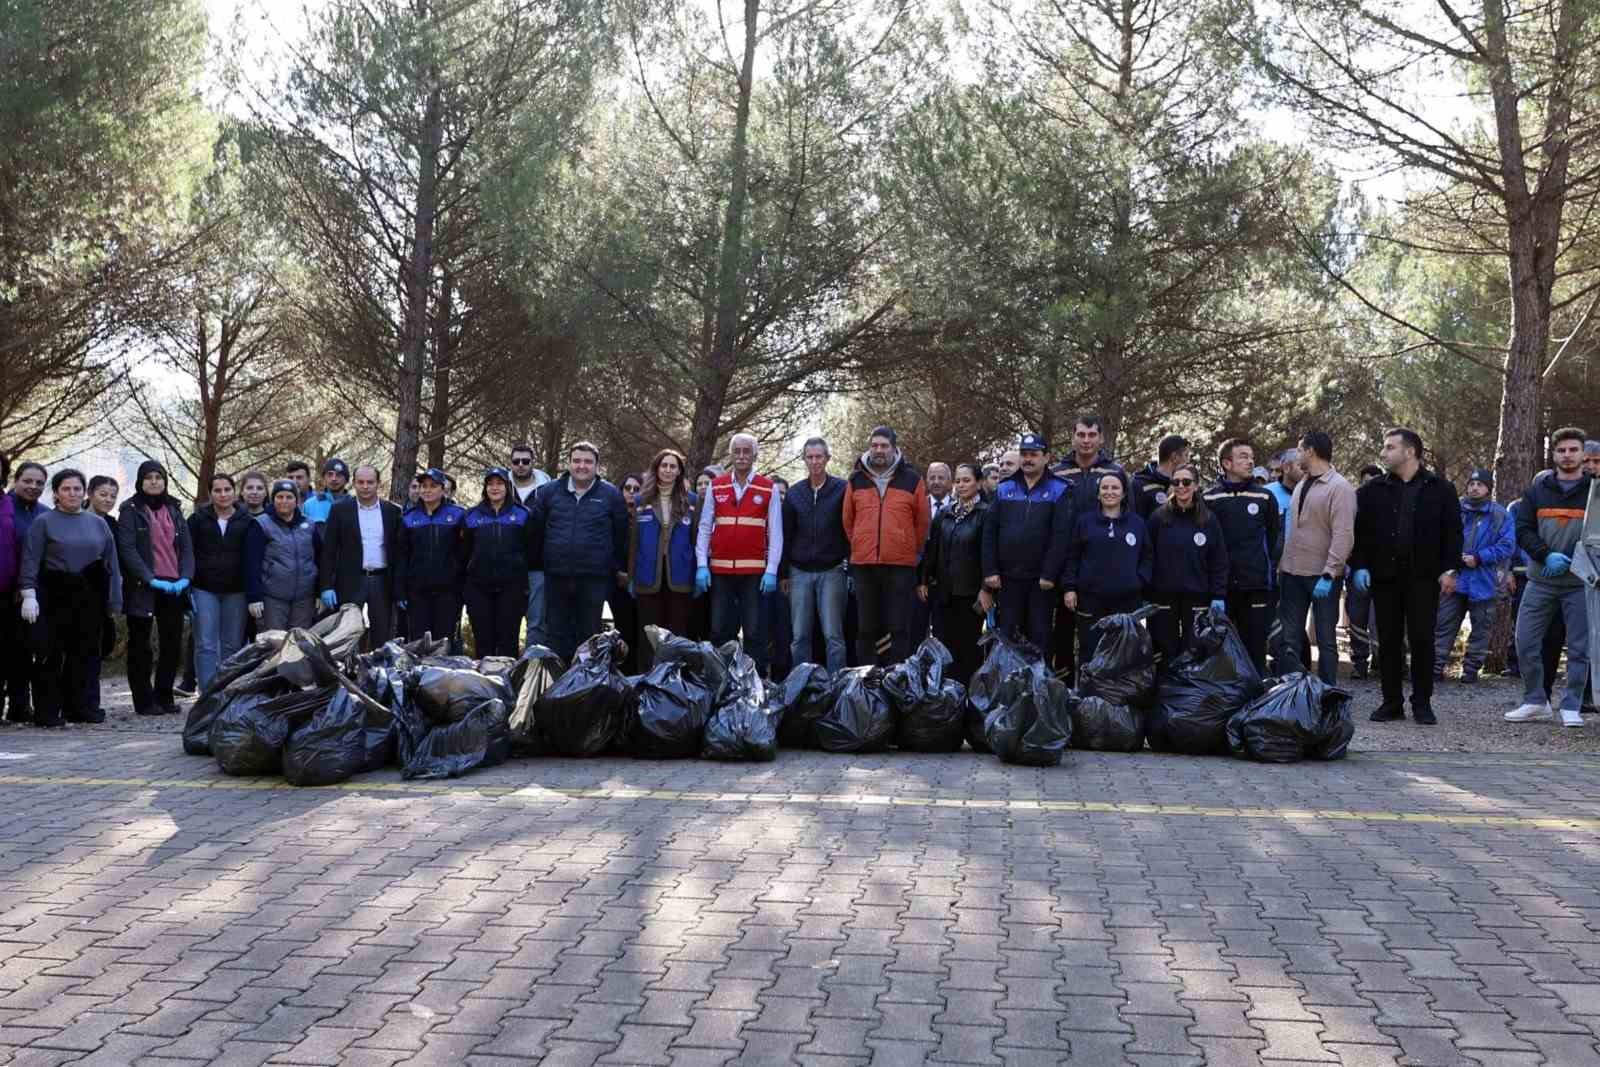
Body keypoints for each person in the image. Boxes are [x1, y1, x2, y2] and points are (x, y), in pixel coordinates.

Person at [1347, 429, 1463, 724]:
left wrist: (1450, 570)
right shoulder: (1372, 491)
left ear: (1410, 451)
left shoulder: (1441, 489)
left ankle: (1422, 703)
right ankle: (1391, 702)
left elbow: (1453, 533)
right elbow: (1359, 533)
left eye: (1390, 447)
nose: (1383, 453)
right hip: (1384, 578)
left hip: (1424, 579)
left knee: (1422, 640)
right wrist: (1360, 565)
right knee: (1388, 641)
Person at [18, 470, 122, 726]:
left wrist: (114, 601)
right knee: (50, 654)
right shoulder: (44, 522)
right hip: (54, 592)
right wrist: (28, 593)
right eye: (66, 489)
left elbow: (111, 562)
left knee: (84, 654)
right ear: (56, 493)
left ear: (84, 492)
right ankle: (47, 711)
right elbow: (31, 558)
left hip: (89, 594)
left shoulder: (98, 523)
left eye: (77, 489)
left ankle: (79, 707)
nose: (72, 493)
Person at [1505, 428, 1594, 727]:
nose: (1567, 455)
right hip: (1541, 581)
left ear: (1583, 454)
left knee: (1580, 648)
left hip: (1580, 583)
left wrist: (1579, 560)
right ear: (1553, 454)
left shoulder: (1595, 492)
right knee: (1525, 641)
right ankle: (1535, 700)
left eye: (1573, 450)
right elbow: (1523, 529)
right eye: (1562, 450)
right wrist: (1545, 555)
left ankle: (1571, 705)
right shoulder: (1536, 492)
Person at [528, 444, 627, 661]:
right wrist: (541, 564)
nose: (582, 466)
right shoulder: (549, 492)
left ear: (597, 465)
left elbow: (620, 536)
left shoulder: (611, 495)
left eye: (588, 461)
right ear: (569, 463)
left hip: (594, 579)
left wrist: (616, 568)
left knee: (589, 635)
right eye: (577, 461)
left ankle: (585, 678)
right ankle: (558, 677)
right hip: (557, 576)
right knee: (556, 634)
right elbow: (536, 531)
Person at [696, 435, 783, 674]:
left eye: (746, 451)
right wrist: (702, 565)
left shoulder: (768, 488)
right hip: (720, 572)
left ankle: (755, 682)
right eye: (737, 451)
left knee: (754, 632)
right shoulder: (716, 485)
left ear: (755, 455)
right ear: (731, 454)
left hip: (754, 573)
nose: (742, 456)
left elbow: (776, 532)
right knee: (719, 630)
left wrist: (772, 569)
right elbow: (705, 527)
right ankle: (720, 681)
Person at [842, 426, 929, 665]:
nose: (878, 450)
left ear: (893, 448)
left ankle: (897, 676)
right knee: (866, 627)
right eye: (874, 445)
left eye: (884, 445)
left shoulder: (912, 479)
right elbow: (848, 521)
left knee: (898, 626)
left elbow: (922, 521)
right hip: (864, 565)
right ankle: (866, 678)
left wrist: (908, 547)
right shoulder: (856, 479)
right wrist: (861, 542)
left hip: (900, 565)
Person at [116, 460, 195, 716]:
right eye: (148, 477)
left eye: (158, 477)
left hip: (173, 587)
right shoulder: (130, 510)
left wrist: (186, 577)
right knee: (141, 645)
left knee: (171, 644)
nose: (153, 481)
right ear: (140, 481)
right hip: (143, 586)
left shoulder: (174, 509)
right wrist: (149, 578)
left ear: (165, 481)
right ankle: (144, 701)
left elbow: (186, 548)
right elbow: (127, 549)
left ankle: (164, 696)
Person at [1277, 433, 1356, 686]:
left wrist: (1330, 572)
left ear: (1310, 451)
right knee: (1290, 638)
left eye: (1300, 450)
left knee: (1325, 640)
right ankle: (1291, 691)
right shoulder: (1303, 483)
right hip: (1292, 572)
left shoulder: (1340, 487)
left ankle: (1327, 692)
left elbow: (1344, 534)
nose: (1297, 455)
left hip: (1322, 577)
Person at [981, 433, 1071, 652]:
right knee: (1008, 639)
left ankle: (1039, 676)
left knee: (1039, 639)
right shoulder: (1004, 488)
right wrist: (990, 571)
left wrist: (1050, 573)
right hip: (1007, 579)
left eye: (1033, 454)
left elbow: (1061, 536)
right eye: (1024, 454)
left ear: (1046, 457)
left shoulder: (1059, 489)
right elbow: (989, 533)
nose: (1028, 459)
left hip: (1041, 582)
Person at [1051, 416, 1126, 677]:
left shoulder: (1114, 472)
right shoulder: (1057, 473)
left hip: (1100, 565)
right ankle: (1064, 685)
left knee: (1102, 634)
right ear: (1072, 437)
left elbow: (1128, 517)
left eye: (1092, 435)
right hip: (1062, 563)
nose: (1086, 440)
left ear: (1101, 439)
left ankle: (1101, 684)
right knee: (1062, 629)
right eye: (1081, 435)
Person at [1204, 439, 1282, 672]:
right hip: (1220, 588)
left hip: (1255, 585)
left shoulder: (1264, 497)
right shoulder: (1209, 498)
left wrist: (1262, 568)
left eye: (1251, 457)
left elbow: (1273, 537)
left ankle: (1256, 693)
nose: (1250, 462)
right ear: (1227, 463)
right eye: (1243, 457)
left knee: (1255, 649)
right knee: (1220, 651)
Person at [1060, 471, 1151, 671]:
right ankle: (1088, 689)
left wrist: (1139, 580)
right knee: (1090, 649)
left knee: (1125, 651)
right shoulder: (1084, 522)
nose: (1110, 492)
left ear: (1124, 493)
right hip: (1090, 599)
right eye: (1105, 488)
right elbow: (1073, 557)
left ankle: (1122, 690)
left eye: (1115, 488)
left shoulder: (1137, 523)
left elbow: (1148, 557)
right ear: (1098, 493)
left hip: (1127, 600)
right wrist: (1069, 588)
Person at [1432, 468, 1514, 686]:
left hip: (1485, 580)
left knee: (1481, 628)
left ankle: (1470, 670)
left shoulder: (1500, 515)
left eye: (1480, 484)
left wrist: (1479, 557)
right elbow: (1438, 537)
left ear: (1488, 489)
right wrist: (1450, 560)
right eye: (1471, 484)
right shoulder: (1454, 509)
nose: (1475, 488)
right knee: (1443, 624)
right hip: (1454, 578)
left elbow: (1507, 545)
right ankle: (1435, 668)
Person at [917, 462, 992, 683]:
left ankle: (968, 693)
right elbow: (932, 549)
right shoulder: (944, 513)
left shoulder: (986, 513)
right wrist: (923, 579)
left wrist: (986, 589)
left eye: (966, 480)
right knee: (944, 646)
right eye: (958, 481)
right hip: (944, 592)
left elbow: (989, 554)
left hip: (971, 594)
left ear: (979, 483)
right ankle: (947, 694)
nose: (961, 485)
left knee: (968, 648)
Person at [1147, 463, 1228, 659]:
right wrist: (1146, 591)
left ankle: (1189, 681)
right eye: (1176, 482)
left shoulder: (1208, 519)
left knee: (1194, 651)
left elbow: (1218, 560)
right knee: (1165, 651)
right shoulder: (1158, 518)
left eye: (1186, 482)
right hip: (1163, 596)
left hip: (1198, 595)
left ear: (1196, 485)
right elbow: (1147, 556)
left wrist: (1218, 594)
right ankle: (1165, 680)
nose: (1181, 486)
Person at [782, 437, 849, 672]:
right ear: (804, 459)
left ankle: (837, 684)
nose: (814, 461)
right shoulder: (794, 493)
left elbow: (850, 528)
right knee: (800, 635)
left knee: (833, 635)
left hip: (832, 570)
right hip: (799, 572)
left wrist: (849, 562)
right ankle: (802, 684)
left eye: (819, 456)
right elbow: (786, 535)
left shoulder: (842, 489)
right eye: (809, 457)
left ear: (827, 458)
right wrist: (783, 573)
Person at [629, 449, 699, 669]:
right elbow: (634, 542)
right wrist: (631, 576)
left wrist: (698, 571)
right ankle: (646, 679)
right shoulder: (641, 500)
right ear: (657, 469)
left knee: (677, 635)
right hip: (648, 576)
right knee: (648, 636)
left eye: (673, 466)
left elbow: (697, 539)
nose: (668, 470)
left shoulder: (692, 501)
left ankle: (676, 680)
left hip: (680, 576)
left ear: (679, 471)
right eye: (664, 465)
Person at [320, 464, 402, 648]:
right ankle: (347, 666)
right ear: (354, 483)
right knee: (346, 633)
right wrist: (326, 586)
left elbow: (398, 553)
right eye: (361, 482)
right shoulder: (340, 510)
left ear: (378, 483)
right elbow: (329, 550)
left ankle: (379, 665)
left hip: (382, 581)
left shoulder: (392, 511)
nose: (365, 486)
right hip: (351, 580)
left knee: (382, 633)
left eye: (370, 482)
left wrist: (399, 588)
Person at [186, 473, 250, 693]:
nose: (223, 494)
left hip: (236, 590)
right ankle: (207, 695)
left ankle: (227, 693)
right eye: (217, 490)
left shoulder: (246, 520)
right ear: (210, 494)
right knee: (205, 644)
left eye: (227, 489)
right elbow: (187, 553)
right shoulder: (197, 520)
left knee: (232, 645)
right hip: (204, 588)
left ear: (234, 492)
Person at [460, 467, 532, 659]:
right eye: (490, 484)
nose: (495, 488)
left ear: (507, 486)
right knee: (483, 641)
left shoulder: (523, 514)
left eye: (499, 483)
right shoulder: (471, 515)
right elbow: (463, 552)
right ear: (485, 488)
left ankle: (507, 677)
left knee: (508, 641)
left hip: (512, 588)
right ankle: (483, 678)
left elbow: (531, 548)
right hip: (478, 588)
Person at [393, 468, 466, 643]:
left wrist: (462, 586)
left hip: (448, 591)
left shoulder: (457, 515)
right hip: (417, 591)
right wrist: (400, 591)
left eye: (433, 486)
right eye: (423, 486)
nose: (427, 490)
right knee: (420, 642)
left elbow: (464, 554)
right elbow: (402, 556)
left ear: (443, 489)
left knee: (444, 641)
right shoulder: (408, 518)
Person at [3, 460, 48, 723]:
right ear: (15, 480)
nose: (33, 486)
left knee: (24, 651)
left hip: (33, 594)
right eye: (27, 481)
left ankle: (20, 706)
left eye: (39, 483)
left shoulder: (44, 513)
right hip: (6, 590)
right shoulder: (5, 507)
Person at [244, 479, 321, 632]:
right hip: (272, 599)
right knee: (273, 643)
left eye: (289, 497)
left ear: (296, 500)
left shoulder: (309, 525)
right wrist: (254, 597)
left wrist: (319, 591)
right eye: (280, 497)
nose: (284, 501)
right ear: (273, 499)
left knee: (299, 643)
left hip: (304, 600)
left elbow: (319, 559)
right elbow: (251, 563)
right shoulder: (261, 524)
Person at [508, 443, 552, 649]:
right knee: (508, 623)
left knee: (537, 623)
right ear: (510, 463)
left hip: (538, 566)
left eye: (525, 461)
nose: (520, 465)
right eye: (516, 461)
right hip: (508, 568)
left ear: (533, 463)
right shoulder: (501, 487)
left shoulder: (547, 489)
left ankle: (533, 664)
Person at [83, 475, 120, 717]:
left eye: (112, 496)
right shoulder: (76, 518)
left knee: (100, 646)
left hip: (103, 593)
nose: (108, 500)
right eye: (103, 494)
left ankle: (90, 702)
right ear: (90, 493)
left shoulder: (112, 524)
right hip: (75, 590)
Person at [1344, 464, 1385, 678]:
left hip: (1383, 573)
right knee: (1357, 619)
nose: (1370, 486)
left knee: (1382, 620)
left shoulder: (1390, 504)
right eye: (1366, 481)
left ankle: (1381, 661)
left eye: (1374, 481)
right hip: (1357, 570)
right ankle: (1359, 662)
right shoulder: (1352, 503)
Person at [609, 473, 643, 671]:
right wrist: (617, 572)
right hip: (618, 581)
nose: (631, 492)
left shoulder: (647, 515)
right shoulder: (613, 515)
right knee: (623, 628)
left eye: (636, 489)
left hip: (643, 582)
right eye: (627, 488)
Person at [1132, 434, 1190, 519]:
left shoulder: (1181, 486)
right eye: (1186, 455)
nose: (1188, 461)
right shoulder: (1139, 485)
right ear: (1174, 457)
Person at [300, 458, 350, 526]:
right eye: (330, 474)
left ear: (346, 480)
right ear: (324, 478)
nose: (334, 479)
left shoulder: (354, 505)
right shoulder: (309, 505)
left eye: (338, 475)